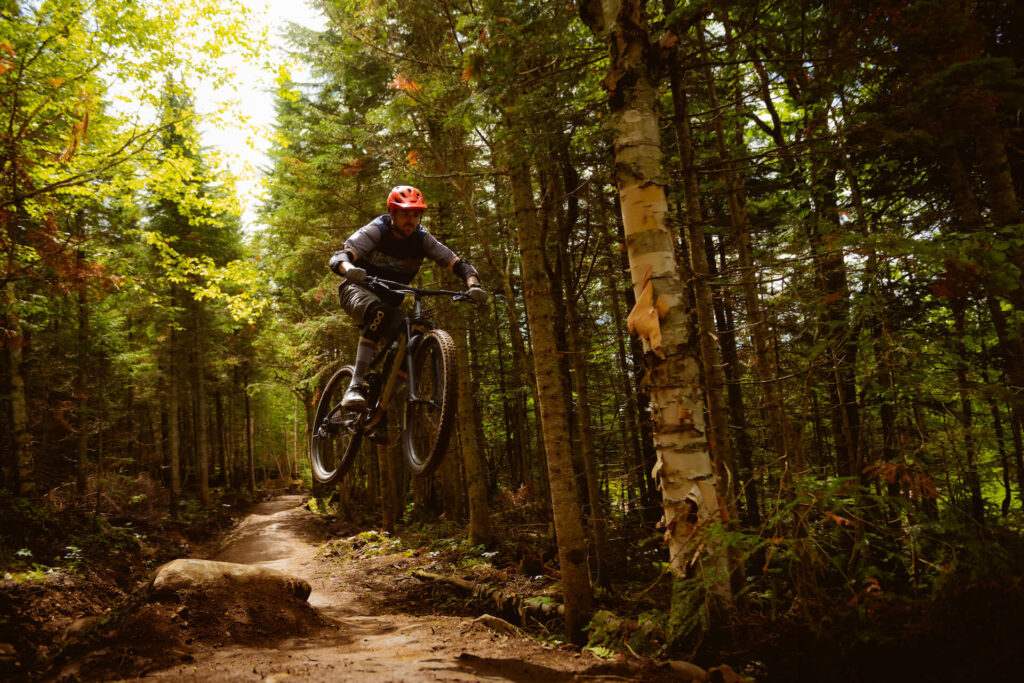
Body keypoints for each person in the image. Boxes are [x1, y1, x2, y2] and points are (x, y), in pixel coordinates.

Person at [329, 185, 487, 419]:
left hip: (391, 302)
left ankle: (379, 411)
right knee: (379, 312)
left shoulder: (423, 239)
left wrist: (473, 285)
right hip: (356, 289)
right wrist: (350, 269)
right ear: (392, 213)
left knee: (411, 343)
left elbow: (459, 264)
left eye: (415, 214)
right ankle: (354, 386)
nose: (410, 219)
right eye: (405, 213)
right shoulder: (377, 230)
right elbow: (340, 256)